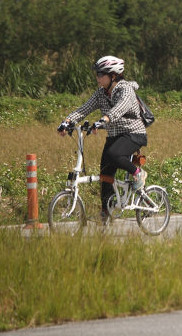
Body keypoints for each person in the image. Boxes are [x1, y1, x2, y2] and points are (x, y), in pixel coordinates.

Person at [57, 56, 147, 219]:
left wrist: (103, 120)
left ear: (113, 75)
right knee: (105, 173)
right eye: (97, 74)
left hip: (133, 134)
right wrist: (67, 121)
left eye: (101, 74)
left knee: (113, 155)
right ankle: (106, 211)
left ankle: (138, 173)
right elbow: (84, 109)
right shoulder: (101, 93)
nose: (97, 77)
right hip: (114, 136)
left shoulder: (125, 89)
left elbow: (120, 108)